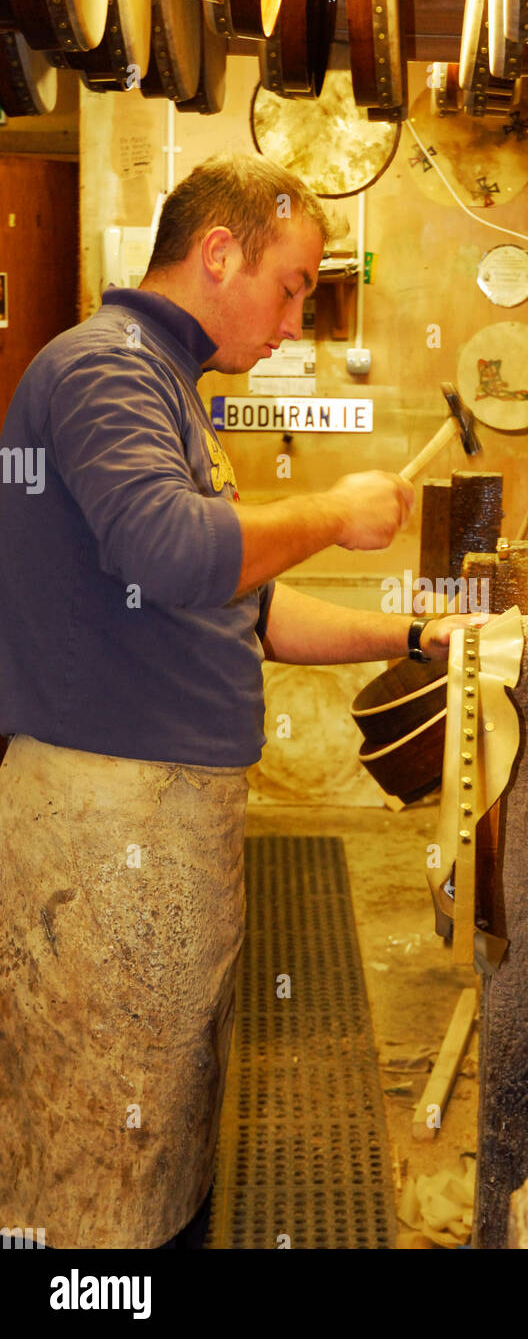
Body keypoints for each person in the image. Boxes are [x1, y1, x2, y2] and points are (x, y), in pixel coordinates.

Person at [0, 152, 483, 1250]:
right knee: (94, 1182)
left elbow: (246, 611)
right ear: (218, 253)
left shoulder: (167, 389)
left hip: (160, 820)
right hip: (103, 831)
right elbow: (175, 554)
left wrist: (414, 634)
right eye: (295, 283)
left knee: (155, 1140)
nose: (296, 315)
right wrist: (333, 509)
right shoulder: (105, 371)